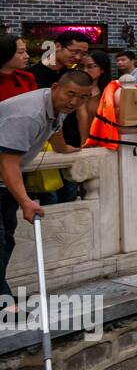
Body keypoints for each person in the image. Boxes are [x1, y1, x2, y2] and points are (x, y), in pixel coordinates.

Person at [0, 70, 94, 308]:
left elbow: (56, 130)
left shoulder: (55, 107)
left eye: (82, 98)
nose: (74, 102)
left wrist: (62, 148)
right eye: (70, 94)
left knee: (8, 238)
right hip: (6, 174)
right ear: (55, 87)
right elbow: (8, 162)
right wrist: (26, 201)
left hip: (4, 183)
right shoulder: (29, 114)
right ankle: (4, 302)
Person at [0, 34, 36, 102]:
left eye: (25, 51)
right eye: (21, 52)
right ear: (6, 52)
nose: (27, 56)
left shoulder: (27, 77)